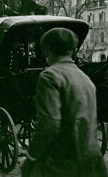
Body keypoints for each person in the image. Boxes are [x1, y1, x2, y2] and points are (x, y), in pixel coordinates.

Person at [21, 28, 107, 177]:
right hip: (93, 164)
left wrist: (30, 157)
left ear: (48, 51)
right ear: (72, 51)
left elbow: (49, 125)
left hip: (63, 164)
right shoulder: (86, 80)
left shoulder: (50, 76)